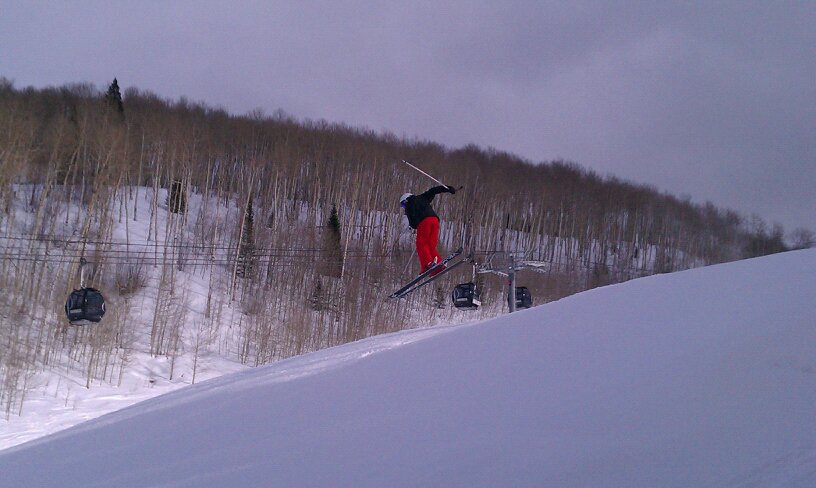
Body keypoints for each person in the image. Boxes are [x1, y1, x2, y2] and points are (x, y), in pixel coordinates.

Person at [400, 185, 457, 275]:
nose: (404, 207)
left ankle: (427, 264)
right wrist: (448, 188)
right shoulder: (422, 197)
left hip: (424, 222)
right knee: (430, 246)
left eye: (403, 204)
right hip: (435, 221)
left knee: (421, 244)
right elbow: (433, 191)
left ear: (406, 200)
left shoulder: (409, 204)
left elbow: (413, 222)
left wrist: (412, 226)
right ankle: (438, 265)